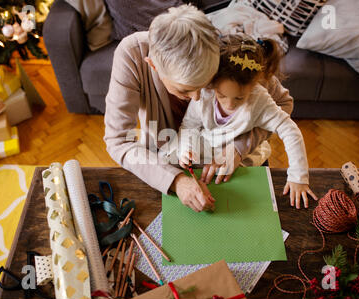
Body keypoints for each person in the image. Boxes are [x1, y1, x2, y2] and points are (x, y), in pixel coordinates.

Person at [104, 5, 296, 212]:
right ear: (153, 66)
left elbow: (283, 104)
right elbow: (119, 141)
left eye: (206, 84)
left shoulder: (230, 54)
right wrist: (175, 179)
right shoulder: (132, 54)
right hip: (163, 163)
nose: (196, 98)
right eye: (185, 90)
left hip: (234, 163)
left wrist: (240, 147)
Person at [175, 34, 318, 209]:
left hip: (245, 162)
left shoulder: (260, 100)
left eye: (239, 98)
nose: (229, 105)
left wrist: (298, 177)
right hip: (206, 154)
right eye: (222, 96)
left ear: (256, 84)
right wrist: (186, 148)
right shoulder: (205, 91)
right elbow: (189, 125)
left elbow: (290, 131)